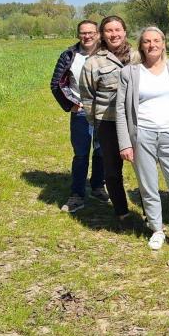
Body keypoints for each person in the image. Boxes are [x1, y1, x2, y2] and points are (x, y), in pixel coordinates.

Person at [115, 27, 169, 252]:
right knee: (148, 185)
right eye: (147, 41)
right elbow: (121, 111)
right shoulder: (130, 73)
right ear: (141, 45)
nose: (152, 45)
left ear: (163, 43)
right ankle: (156, 230)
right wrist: (125, 142)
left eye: (156, 41)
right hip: (142, 134)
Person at [80, 15, 138, 220]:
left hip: (138, 122)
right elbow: (87, 96)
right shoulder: (93, 63)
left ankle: (151, 212)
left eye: (117, 30)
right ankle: (122, 211)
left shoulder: (139, 57)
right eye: (109, 31)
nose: (114, 34)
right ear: (102, 35)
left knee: (144, 168)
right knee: (112, 170)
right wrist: (94, 123)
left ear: (125, 32)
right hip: (108, 122)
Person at [51, 20, 107, 212]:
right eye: (83, 33)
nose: (87, 36)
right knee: (81, 154)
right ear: (78, 35)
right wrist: (71, 105)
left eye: (91, 32)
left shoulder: (107, 54)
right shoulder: (69, 55)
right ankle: (77, 195)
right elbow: (56, 83)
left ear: (98, 34)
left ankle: (98, 186)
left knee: (101, 151)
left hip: (104, 112)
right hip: (81, 112)